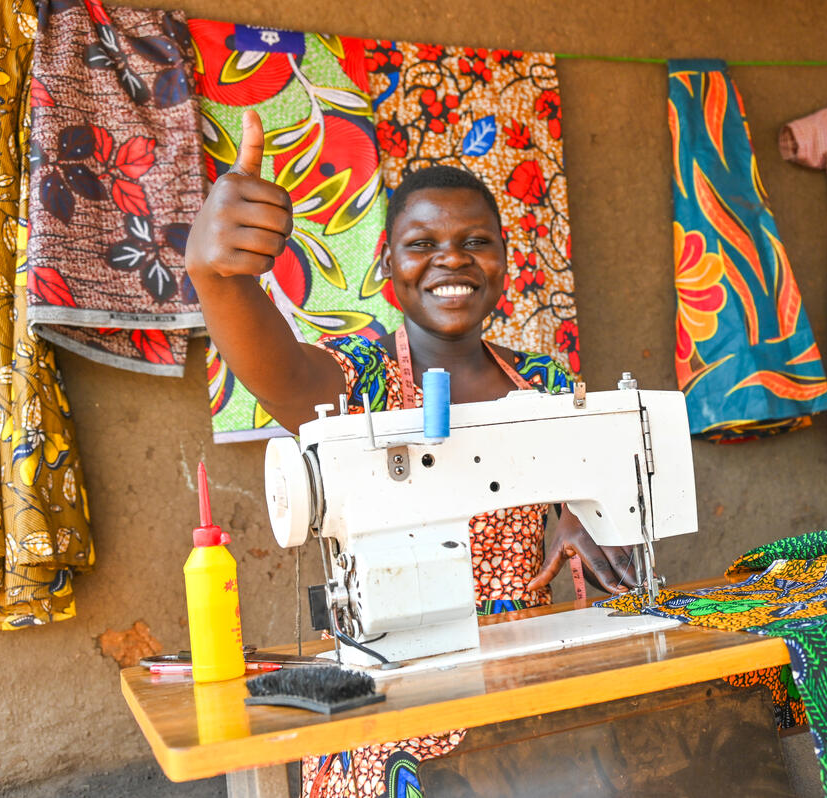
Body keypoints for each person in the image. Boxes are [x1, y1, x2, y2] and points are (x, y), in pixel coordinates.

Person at [185, 110, 633, 796]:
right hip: (392, 704)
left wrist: (580, 513)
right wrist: (219, 278)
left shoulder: (543, 383)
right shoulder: (357, 380)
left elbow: (582, 482)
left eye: (475, 241)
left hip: (521, 694)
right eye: (422, 243)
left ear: (506, 260)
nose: (451, 259)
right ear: (386, 262)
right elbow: (277, 368)